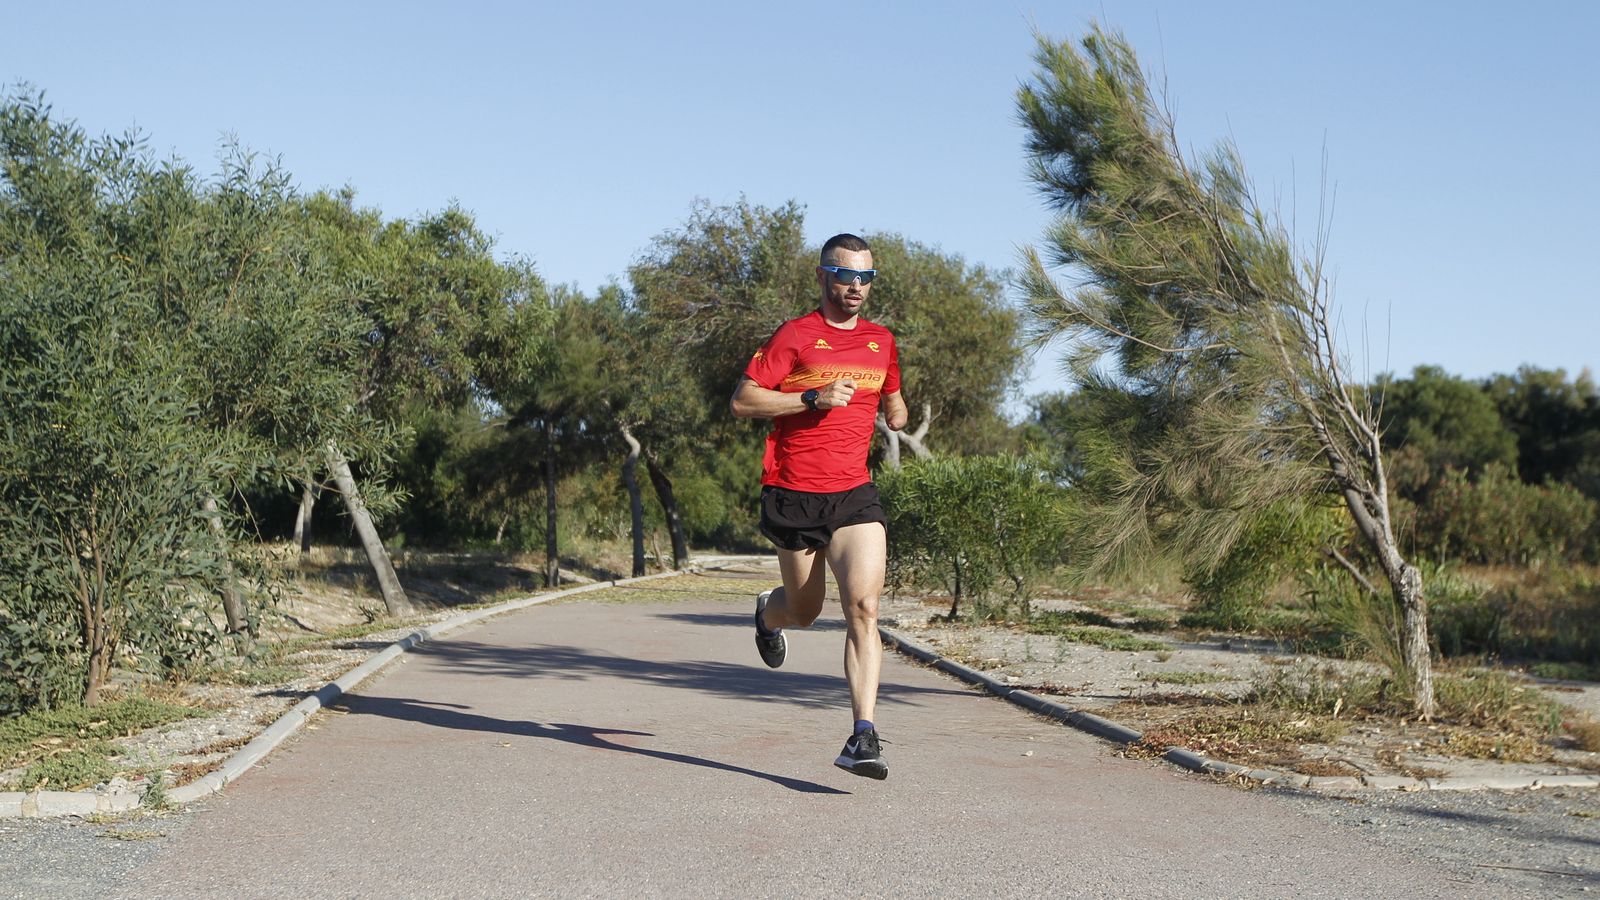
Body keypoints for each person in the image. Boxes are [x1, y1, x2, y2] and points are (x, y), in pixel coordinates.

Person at [729, 232, 908, 780]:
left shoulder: (881, 341)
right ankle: (768, 614)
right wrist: (811, 397)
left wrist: (894, 414)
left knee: (864, 608)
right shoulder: (796, 336)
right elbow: (742, 401)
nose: (857, 287)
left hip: (854, 493)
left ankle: (863, 735)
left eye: (866, 277)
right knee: (804, 612)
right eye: (846, 275)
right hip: (793, 492)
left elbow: (895, 402)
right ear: (824, 276)